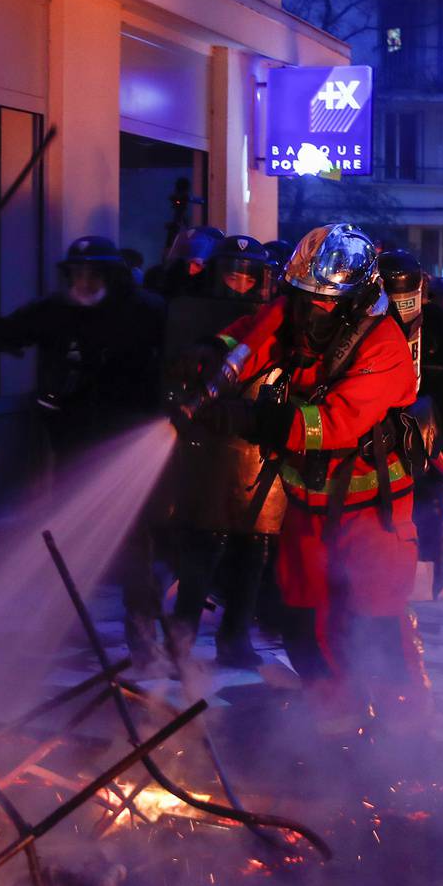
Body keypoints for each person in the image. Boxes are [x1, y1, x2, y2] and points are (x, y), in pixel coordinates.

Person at [178, 224, 427, 731]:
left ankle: (406, 737)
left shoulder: (384, 349)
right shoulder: (300, 314)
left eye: (322, 300)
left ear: (355, 302)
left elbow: (332, 424)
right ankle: (333, 717)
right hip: (306, 505)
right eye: (303, 296)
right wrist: (212, 351)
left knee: (374, 624)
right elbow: (256, 335)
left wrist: (251, 420)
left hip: (372, 514)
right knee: (300, 616)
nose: (308, 309)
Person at [0, 236, 169, 662]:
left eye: (93, 273)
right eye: (77, 273)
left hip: (129, 443)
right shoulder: (55, 312)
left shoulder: (145, 311)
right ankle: (64, 627)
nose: (84, 281)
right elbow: (0, 333)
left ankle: (142, 639)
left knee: (133, 542)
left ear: (112, 275)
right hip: (72, 442)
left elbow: (181, 351)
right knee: (70, 536)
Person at [162, 235, 283, 667]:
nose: (243, 283)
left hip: (263, 444)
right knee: (202, 544)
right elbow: (177, 374)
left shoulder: (278, 318)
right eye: (234, 272)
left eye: (251, 275)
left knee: (256, 547)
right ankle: (181, 639)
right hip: (209, 445)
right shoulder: (191, 313)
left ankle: (235, 639)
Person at [379, 248, 443, 598]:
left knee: (429, 497)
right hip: (375, 424)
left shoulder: (433, 319)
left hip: (423, 427)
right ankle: (385, 572)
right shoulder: (366, 319)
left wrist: (437, 375)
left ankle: (433, 573)